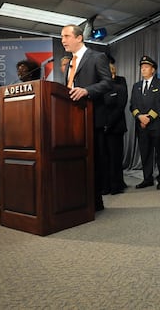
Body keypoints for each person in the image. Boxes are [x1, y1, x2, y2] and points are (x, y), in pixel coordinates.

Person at [61, 24, 112, 211]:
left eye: (66, 36)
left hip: (92, 117)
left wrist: (87, 91)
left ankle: (95, 202)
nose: (63, 40)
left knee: (94, 161)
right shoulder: (69, 62)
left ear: (79, 37)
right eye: (61, 36)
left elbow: (108, 83)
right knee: (77, 162)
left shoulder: (97, 57)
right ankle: (81, 200)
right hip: (73, 120)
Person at [130, 55, 160, 190]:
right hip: (141, 126)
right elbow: (132, 105)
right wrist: (140, 117)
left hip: (156, 125)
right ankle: (147, 179)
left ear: (153, 70)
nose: (143, 70)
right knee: (145, 153)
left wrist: (149, 118)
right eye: (142, 67)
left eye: (146, 67)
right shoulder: (137, 86)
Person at [100, 58, 128, 195]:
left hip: (115, 128)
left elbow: (119, 108)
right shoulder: (99, 90)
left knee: (115, 158)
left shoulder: (120, 88)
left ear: (112, 73)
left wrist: (108, 124)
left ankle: (116, 185)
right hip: (102, 129)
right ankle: (105, 186)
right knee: (104, 159)